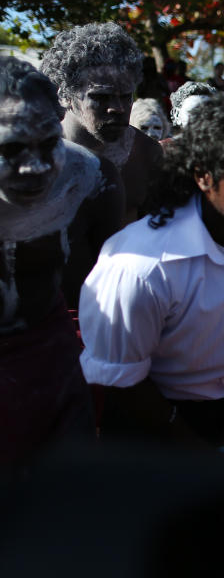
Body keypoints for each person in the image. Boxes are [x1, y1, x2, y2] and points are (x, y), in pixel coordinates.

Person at [78, 92, 224, 447]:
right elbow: (123, 382)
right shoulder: (138, 266)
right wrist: (199, 454)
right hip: (149, 421)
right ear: (204, 177)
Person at [0, 57, 121, 464]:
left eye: (47, 144)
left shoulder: (87, 177)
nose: (34, 166)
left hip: (53, 356)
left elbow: (111, 275)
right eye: (12, 148)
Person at [40, 22, 162, 226]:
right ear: (64, 96)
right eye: (101, 97)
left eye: (125, 96)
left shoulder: (146, 154)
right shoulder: (31, 156)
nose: (118, 108)